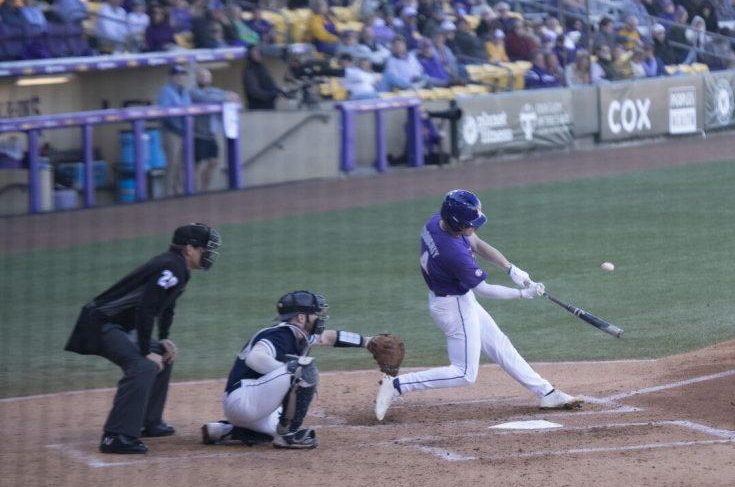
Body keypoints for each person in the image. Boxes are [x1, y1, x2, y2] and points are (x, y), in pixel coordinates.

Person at [374, 190, 581, 421]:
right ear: (456, 223)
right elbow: (484, 289)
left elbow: (476, 243)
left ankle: (547, 393)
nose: (475, 227)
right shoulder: (452, 253)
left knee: (500, 345)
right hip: (454, 307)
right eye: (470, 224)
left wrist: (510, 268)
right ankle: (398, 385)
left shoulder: (438, 222)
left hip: (455, 300)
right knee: (464, 373)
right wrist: (523, 294)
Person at [64, 223, 220, 455]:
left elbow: (167, 307)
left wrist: (163, 339)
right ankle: (116, 436)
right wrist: (146, 350)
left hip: (116, 325)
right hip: (99, 324)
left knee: (163, 356)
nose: (207, 254)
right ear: (189, 248)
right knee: (143, 365)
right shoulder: (171, 267)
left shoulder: (177, 267)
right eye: (204, 249)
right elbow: (146, 309)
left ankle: (150, 422)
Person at [203, 291, 381, 449]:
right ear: (301, 318)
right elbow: (255, 358)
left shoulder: (298, 335)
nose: (318, 317)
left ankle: (226, 430)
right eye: (314, 313)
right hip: (244, 400)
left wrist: (367, 341)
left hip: (248, 409)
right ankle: (287, 436)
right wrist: (291, 375)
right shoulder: (281, 335)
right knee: (303, 368)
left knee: (273, 428)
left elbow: (329, 337)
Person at [189, 68, 236, 191]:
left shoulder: (213, 90)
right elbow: (206, 99)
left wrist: (226, 96)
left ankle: (204, 189)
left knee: (213, 162)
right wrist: (225, 97)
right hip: (198, 134)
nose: (205, 78)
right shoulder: (194, 91)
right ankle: (196, 191)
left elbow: (225, 94)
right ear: (197, 78)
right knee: (198, 165)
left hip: (211, 135)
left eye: (207, 76)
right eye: (202, 76)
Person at [156, 66, 192, 194]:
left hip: (183, 132)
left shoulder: (184, 91)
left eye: (182, 74)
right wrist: (178, 130)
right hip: (170, 132)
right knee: (172, 164)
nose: (180, 77)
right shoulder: (165, 91)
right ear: (170, 76)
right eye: (177, 75)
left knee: (181, 166)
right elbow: (165, 115)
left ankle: (180, 192)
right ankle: (168, 194)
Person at [243, 45, 283, 109]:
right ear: (250, 55)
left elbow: (269, 82)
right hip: (258, 109)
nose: (258, 54)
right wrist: (272, 94)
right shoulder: (249, 70)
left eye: (259, 52)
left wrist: (278, 91)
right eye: (255, 53)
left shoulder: (261, 67)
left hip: (268, 106)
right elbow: (255, 92)